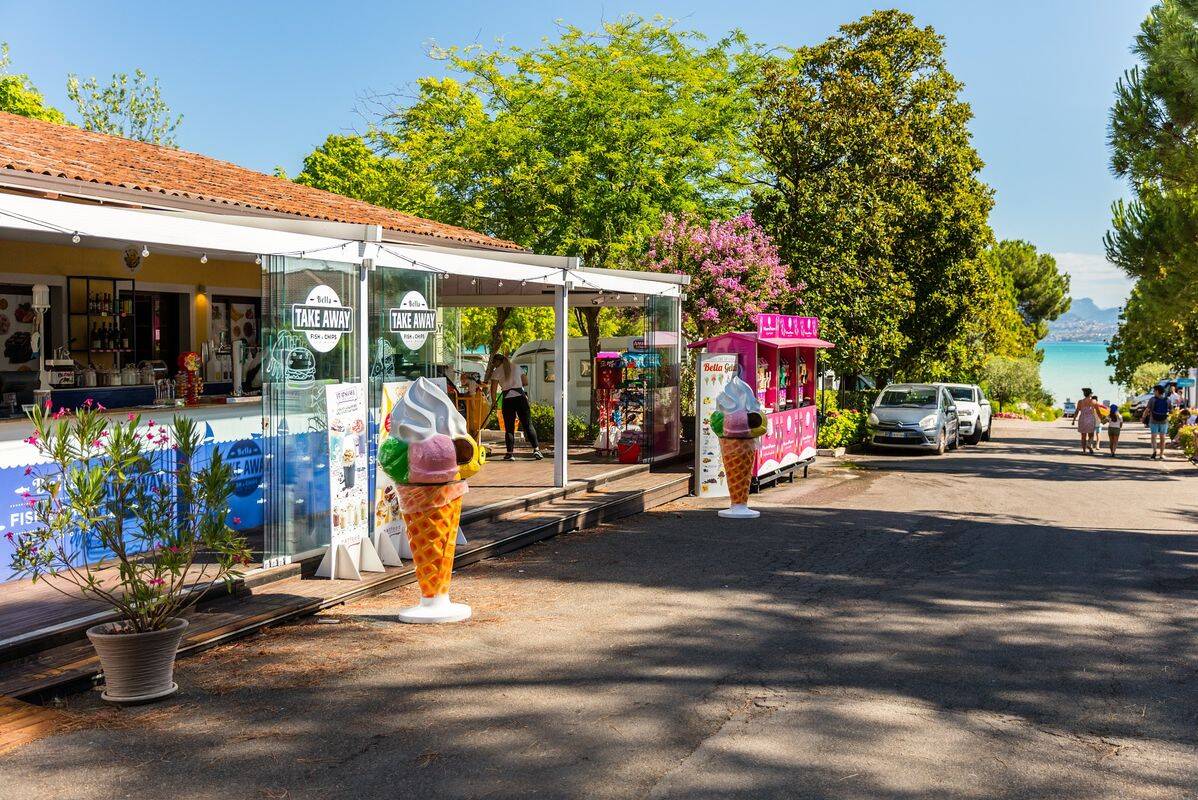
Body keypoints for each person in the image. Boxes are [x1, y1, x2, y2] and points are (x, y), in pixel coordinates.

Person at [488, 353, 543, 461]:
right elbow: (525, 382)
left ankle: (509, 453)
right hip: (521, 398)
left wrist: (494, 401)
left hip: (508, 400)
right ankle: (536, 449)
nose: (493, 365)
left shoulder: (497, 372)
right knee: (528, 424)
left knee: (509, 428)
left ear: (498, 361)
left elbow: (493, 390)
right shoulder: (517, 367)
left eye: (494, 362)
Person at [1142, 384, 1170, 460]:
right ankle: (1161, 454)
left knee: (1153, 437)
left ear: (1157, 391)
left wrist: (1143, 417)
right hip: (1164, 421)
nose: (1154, 392)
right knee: (1163, 438)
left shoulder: (1152, 399)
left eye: (1154, 391)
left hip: (1153, 420)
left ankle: (1154, 451)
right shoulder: (1167, 400)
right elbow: (1171, 411)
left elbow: (1147, 410)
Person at [1075, 388, 1099, 454]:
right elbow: (1098, 411)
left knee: (1083, 436)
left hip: (1082, 419)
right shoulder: (1093, 401)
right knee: (1091, 435)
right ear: (1090, 394)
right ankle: (1089, 444)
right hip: (1090, 419)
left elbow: (1077, 411)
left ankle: (1084, 451)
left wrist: (1074, 419)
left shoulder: (1080, 401)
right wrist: (1101, 418)